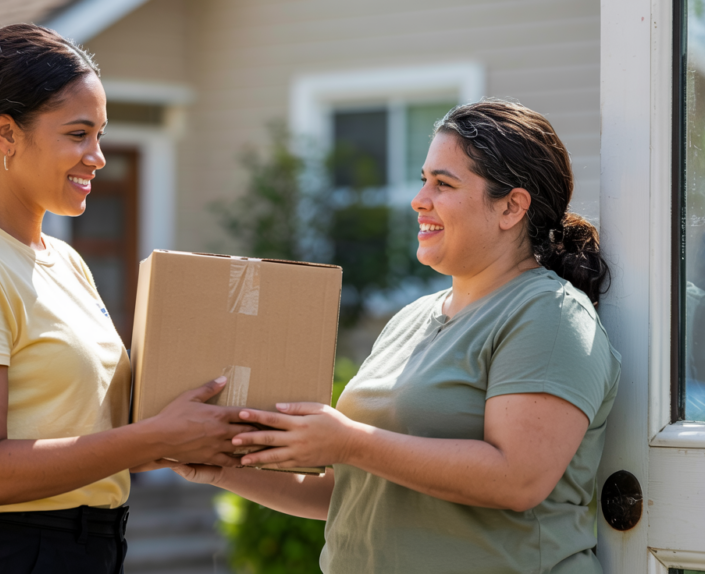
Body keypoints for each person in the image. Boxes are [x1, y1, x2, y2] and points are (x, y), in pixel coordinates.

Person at [171, 100, 622, 573]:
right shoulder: (411, 318)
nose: (419, 199)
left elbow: (518, 478)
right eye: (424, 178)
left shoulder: (549, 315)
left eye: (443, 184)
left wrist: (350, 442)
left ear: (511, 206)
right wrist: (220, 466)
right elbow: (351, 489)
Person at [0, 24, 249, 574]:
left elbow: (99, 429)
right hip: (4, 555)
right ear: (6, 133)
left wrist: (205, 427)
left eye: (100, 134)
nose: (97, 157)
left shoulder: (65, 261)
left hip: (90, 550)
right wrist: (153, 436)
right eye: (78, 134)